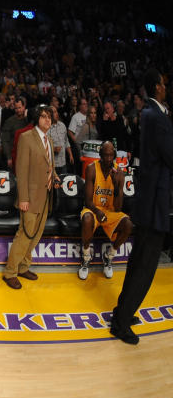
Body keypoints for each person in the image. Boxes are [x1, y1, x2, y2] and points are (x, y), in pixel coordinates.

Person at [111, 69, 173, 344]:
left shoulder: (151, 114)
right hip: (154, 204)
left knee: (138, 263)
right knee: (145, 268)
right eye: (163, 84)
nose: (166, 87)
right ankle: (121, 324)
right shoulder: (156, 117)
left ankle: (122, 312)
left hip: (148, 202)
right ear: (156, 88)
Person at [3, 106, 59, 289]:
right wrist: (23, 199)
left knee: (36, 235)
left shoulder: (49, 140)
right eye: (43, 117)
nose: (47, 120)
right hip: (30, 197)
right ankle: (10, 272)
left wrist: (55, 177)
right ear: (36, 119)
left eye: (49, 117)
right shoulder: (27, 138)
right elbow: (21, 170)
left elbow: (50, 165)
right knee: (24, 235)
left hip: (45, 196)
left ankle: (23, 267)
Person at [78, 141, 133, 280]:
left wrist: (116, 186)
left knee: (128, 224)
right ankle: (85, 257)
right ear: (100, 155)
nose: (108, 158)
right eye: (105, 155)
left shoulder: (119, 173)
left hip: (109, 212)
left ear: (114, 156)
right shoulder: (91, 168)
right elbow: (87, 201)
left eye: (111, 155)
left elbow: (119, 208)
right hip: (93, 209)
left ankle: (109, 256)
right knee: (87, 218)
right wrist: (97, 212)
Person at [1, 96, 29, 168]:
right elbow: (5, 140)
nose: (18, 110)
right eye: (16, 108)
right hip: (15, 154)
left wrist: (26, 118)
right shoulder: (9, 121)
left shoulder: (29, 120)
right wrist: (9, 157)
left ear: (24, 107)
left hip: (28, 154)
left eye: (19, 108)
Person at [49, 106, 74, 176]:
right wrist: (53, 149)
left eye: (56, 111)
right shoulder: (46, 129)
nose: (56, 114)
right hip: (52, 165)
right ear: (49, 115)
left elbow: (66, 141)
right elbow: (43, 147)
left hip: (63, 163)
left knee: (63, 184)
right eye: (54, 112)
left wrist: (70, 154)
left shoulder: (62, 125)